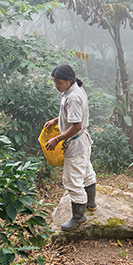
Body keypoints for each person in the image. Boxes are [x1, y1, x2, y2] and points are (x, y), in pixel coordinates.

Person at [44, 64, 97, 230]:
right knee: (86, 171)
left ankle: (78, 218)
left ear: (69, 80)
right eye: (54, 82)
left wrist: (57, 139)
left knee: (73, 180)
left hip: (75, 142)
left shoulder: (72, 97)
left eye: (58, 82)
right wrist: (55, 120)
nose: (56, 86)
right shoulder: (74, 90)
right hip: (82, 142)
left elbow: (76, 125)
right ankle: (91, 203)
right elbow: (70, 115)